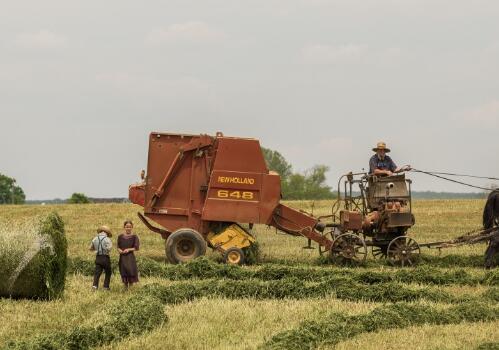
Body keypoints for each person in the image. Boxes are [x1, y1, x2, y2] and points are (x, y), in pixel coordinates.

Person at [117, 220, 140, 288]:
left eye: (130, 227)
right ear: (124, 227)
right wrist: (119, 250)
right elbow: (118, 247)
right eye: (127, 227)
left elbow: (136, 248)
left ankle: (130, 286)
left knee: (130, 270)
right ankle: (125, 287)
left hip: (130, 257)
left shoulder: (134, 237)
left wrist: (128, 249)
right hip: (123, 257)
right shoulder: (120, 236)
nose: (128, 228)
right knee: (123, 271)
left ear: (132, 227)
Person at [90, 225, 113, 290]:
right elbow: (109, 248)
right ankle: (106, 286)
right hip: (105, 257)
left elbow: (90, 248)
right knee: (108, 272)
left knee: (97, 272)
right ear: (107, 233)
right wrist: (104, 249)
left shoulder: (95, 239)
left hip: (98, 257)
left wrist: (96, 250)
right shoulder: (107, 239)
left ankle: (94, 286)